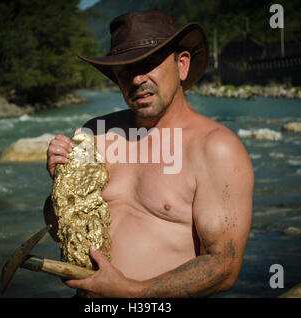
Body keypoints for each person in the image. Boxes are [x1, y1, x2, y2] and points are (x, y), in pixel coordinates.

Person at [44, 10, 254, 297]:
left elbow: (224, 266)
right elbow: (60, 233)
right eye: (126, 69)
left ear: (181, 65)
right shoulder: (96, 134)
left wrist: (135, 291)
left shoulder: (216, 149)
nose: (137, 78)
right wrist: (60, 191)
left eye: (149, 64)